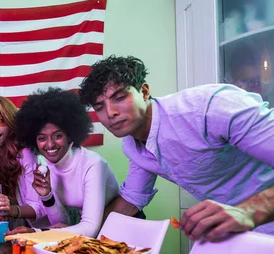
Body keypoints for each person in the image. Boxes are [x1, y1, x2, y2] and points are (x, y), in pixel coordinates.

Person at [78, 55, 274, 241]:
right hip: (238, 235)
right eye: (99, 107)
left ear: (144, 91)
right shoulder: (132, 146)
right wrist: (73, 236)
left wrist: (247, 211)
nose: (110, 113)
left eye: (119, 97)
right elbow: (130, 201)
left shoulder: (209, 108)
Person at [11, 88, 119, 237]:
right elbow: (62, 222)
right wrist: (47, 196)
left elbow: (90, 227)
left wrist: (37, 233)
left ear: (70, 135)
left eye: (57, 136)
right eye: (42, 138)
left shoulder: (93, 164)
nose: (50, 145)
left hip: (121, 229)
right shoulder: (47, 168)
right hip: (90, 235)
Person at [0, 96, 44, 229]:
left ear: (11, 124)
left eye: (2, 121)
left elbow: (38, 208)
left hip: (41, 229)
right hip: (10, 227)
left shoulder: (25, 154)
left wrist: (11, 210)